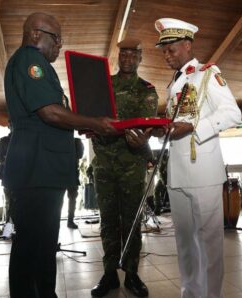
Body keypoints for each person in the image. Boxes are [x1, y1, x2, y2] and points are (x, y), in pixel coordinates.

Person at [3, 12, 116, 298]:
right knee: (31, 247)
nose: (60, 45)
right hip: (36, 169)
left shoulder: (37, 63)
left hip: (43, 169)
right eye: (56, 38)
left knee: (43, 245)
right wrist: (95, 123)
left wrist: (86, 123)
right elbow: (50, 112)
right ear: (34, 35)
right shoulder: (31, 60)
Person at [151, 18, 242, 298]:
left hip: (202, 172)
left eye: (171, 49)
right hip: (177, 173)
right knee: (185, 243)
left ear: (187, 45)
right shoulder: (176, 81)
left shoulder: (207, 74)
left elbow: (232, 114)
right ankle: (190, 293)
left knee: (209, 244)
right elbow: (177, 122)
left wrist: (193, 127)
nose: (167, 56)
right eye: (163, 50)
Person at [90, 37, 158, 298]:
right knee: (107, 220)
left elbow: (146, 123)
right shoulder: (103, 86)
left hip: (132, 163)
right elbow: (91, 114)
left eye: (133, 55)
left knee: (132, 220)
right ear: (119, 58)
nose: (128, 59)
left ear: (140, 59)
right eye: (124, 55)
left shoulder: (146, 89)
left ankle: (131, 274)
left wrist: (142, 135)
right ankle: (109, 274)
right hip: (105, 162)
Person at [0, 130, 14, 238]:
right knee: (9, 204)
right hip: (8, 175)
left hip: (25, 177)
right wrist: (7, 159)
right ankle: (7, 231)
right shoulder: (4, 141)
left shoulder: (25, 138)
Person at [65, 138, 84, 229]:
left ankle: (70, 221)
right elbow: (80, 155)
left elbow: (80, 155)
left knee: (71, 199)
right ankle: (70, 221)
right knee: (71, 199)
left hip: (70, 173)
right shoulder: (76, 141)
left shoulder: (76, 141)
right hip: (70, 173)